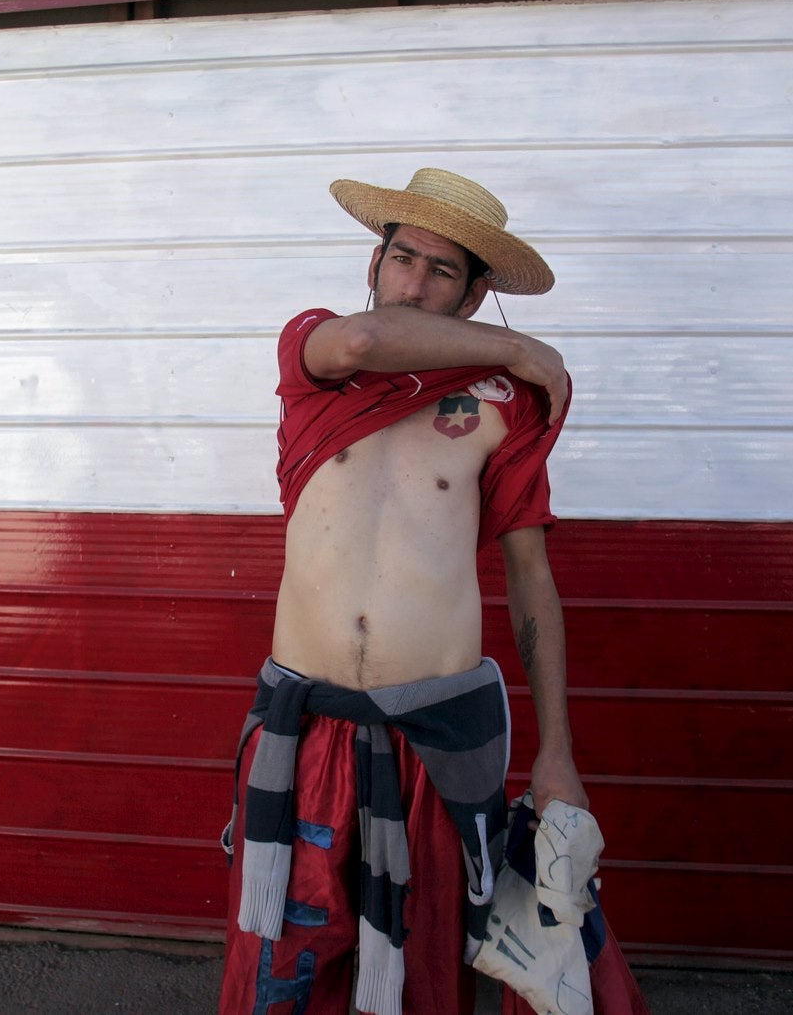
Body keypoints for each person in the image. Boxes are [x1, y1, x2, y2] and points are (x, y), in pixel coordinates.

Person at [220, 169, 640, 1015]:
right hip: (307, 725)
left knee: (423, 970)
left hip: (436, 737)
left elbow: (531, 577)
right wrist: (523, 348)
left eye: (441, 271)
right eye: (401, 256)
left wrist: (557, 751)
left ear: (477, 293)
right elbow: (369, 343)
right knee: (287, 964)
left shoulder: (504, 408)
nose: (412, 282)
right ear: (374, 262)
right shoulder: (318, 354)